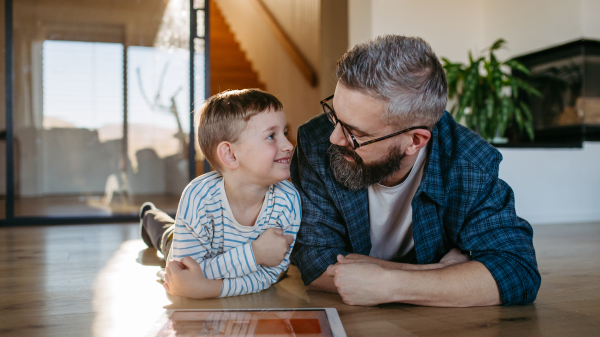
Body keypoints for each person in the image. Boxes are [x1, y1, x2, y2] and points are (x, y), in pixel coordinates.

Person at [290, 35, 541, 307]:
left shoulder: (469, 162)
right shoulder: (315, 142)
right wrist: (441, 274)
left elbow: (517, 271)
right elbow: (314, 262)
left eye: (356, 133)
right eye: (335, 116)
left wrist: (389, 285)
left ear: (415, 141)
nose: (335, 138)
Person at [140, 89, 300, 299]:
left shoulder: (289, 200)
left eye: (285, 133)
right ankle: (149, 214)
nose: (289, 145)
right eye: (271, 136)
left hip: (214, 260)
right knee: (167, 236)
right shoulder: (199, 197)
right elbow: (183, 274)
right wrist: (255, 254)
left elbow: (271, 274)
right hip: (185, 244)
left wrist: (207, 288)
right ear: (230, 154)